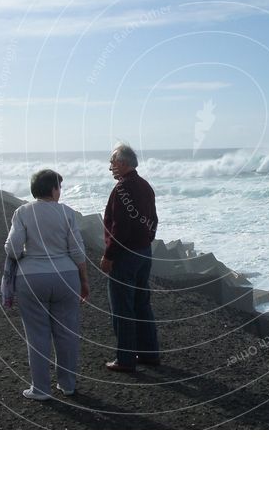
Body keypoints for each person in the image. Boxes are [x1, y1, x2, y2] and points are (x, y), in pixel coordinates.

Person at [4, 169, 90, 400]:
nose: (60, 191)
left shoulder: (22, 212)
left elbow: (12, 248)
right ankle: (68, 384)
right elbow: (77, 251)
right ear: (53, 189)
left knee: (37, 335)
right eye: (59, 187)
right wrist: (84, 280)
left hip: (32, 279)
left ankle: (41, 389)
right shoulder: (67, 213)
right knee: (66, 333)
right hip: (66, 276)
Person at [101, 143, 160, 371]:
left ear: (123, 163)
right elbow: (154, 219)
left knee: (123, 307)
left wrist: (109, 255)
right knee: (142, 304)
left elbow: (120, 228)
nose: (110, 168)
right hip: (144, 252)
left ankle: (125, 359)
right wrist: (147, 240)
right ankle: (149, 353)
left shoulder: (123, 189)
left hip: (127, 255)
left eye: (112, 162)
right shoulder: (145, 186)